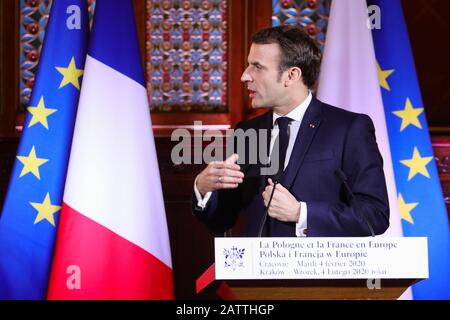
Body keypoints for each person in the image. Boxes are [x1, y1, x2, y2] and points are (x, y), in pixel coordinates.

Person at [192, 25, 389, 237]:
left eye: (257, 67)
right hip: (256, 269)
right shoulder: (247, 132)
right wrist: (203, 188)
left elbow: (374, 214)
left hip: (319, 268)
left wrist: (301, 213)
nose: (245, 76)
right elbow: (223, 219)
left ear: (292, 75)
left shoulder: (349, 128)